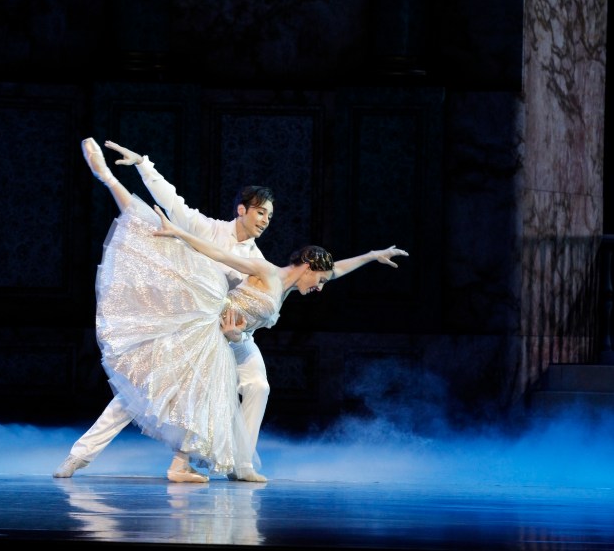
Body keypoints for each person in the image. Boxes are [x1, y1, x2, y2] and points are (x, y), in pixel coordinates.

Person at [54, 139, 408, 482]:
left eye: (270, 215)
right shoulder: (214, 231)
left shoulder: (259, 261)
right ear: (243, 209)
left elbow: (329, 271)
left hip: (236, 333)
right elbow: (174, 205)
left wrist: (372, 256)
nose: (266, 220)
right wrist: (146, 166)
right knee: (149, 385)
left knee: (258, 385)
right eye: (261, 212)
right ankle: (82, 455)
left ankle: (240, 463)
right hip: (198, 315)